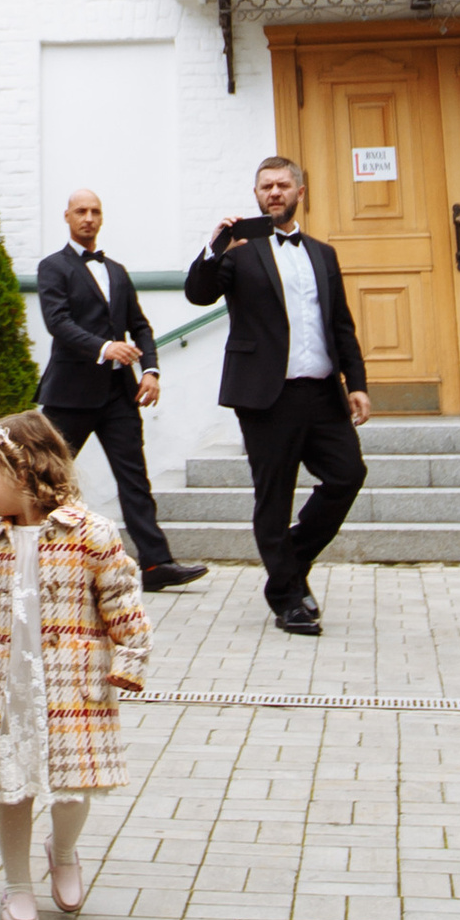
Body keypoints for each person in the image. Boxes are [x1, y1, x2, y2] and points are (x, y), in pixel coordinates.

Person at [0, 411, 148, 920]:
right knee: (13, 787)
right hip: (6, 690)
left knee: (73, 788)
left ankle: (63, 849)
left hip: (71, 686)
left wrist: (131, 658)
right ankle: (18, 884)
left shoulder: (90, 534)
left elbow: (122, 599)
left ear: (23, 470)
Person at [184, 153, 371, 635]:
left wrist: (358, 384)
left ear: (299, 192)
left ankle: (285, 565)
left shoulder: (323, 254)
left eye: (282, 185)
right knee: (274, 497)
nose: (274, 193)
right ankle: (289, 598)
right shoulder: (239, 252)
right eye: (265, 186)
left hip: (322, 393)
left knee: (348, 475)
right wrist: (214, 246)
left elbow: (341, 324)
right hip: (266, 397)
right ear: (255, 195)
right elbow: (198, 294)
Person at [34, 193, 204, 594]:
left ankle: (156, 564)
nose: (88, 218)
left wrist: (150, 370)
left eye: (95, 212)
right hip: (70, 393)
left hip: (117, 394)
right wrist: (103, 347)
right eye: (81, 212)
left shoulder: (117, 271)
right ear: (67, 217)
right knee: (45, 478)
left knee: (134, 479)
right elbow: (57, 322)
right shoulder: (53, 267)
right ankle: (21, 553)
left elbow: (139, 326)